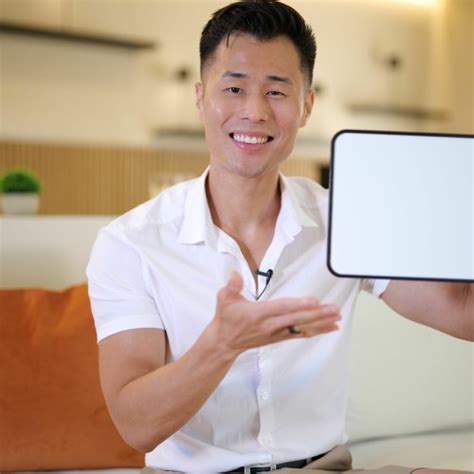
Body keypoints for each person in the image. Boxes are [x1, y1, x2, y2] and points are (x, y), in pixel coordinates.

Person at [86, 1, 473, 472]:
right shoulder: (129, 243)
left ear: (306, 106)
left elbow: (462, 312)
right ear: (200, 98)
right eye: (234, 88)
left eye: (276, 91)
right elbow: (135, 426)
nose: (254, 112)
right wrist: (222, 344)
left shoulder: (345, 218)